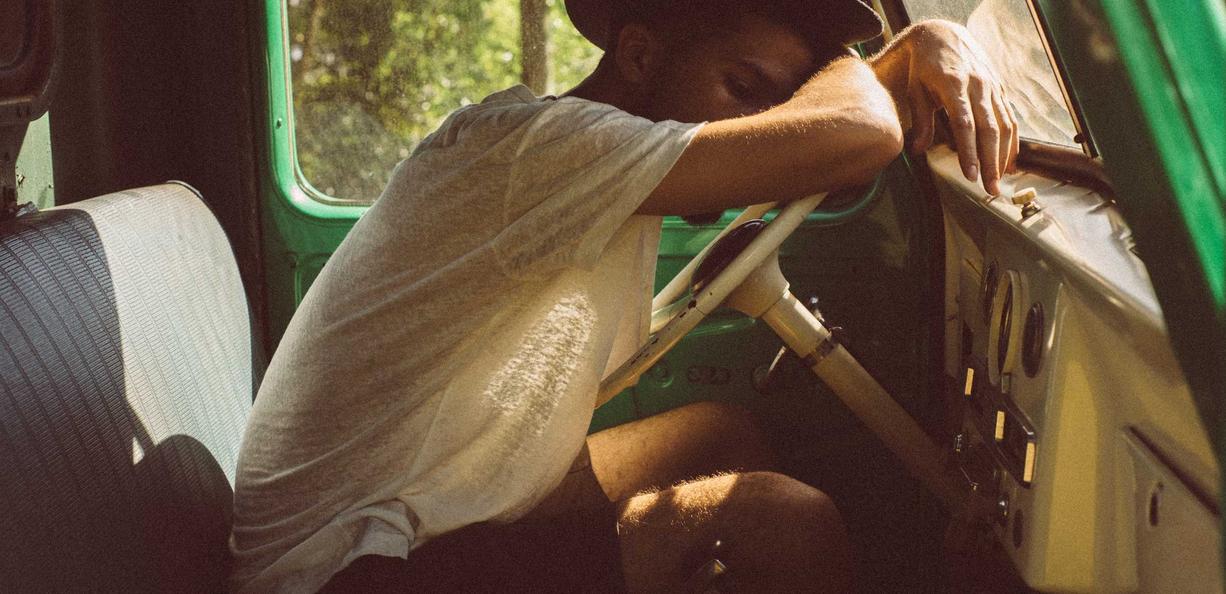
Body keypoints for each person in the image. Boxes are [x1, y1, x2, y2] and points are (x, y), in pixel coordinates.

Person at [229, 0, 1017, 591]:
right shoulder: (540, 148)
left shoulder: (605, 160)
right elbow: (859, 135)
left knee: (718, 435)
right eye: (744, 88)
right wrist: (908, 45)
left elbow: (834, 130)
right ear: (639, 54)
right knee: (785, 524)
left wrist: (900, 56)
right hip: (347, 566)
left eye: (777, 105)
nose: (764, 127)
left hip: (430, 501)